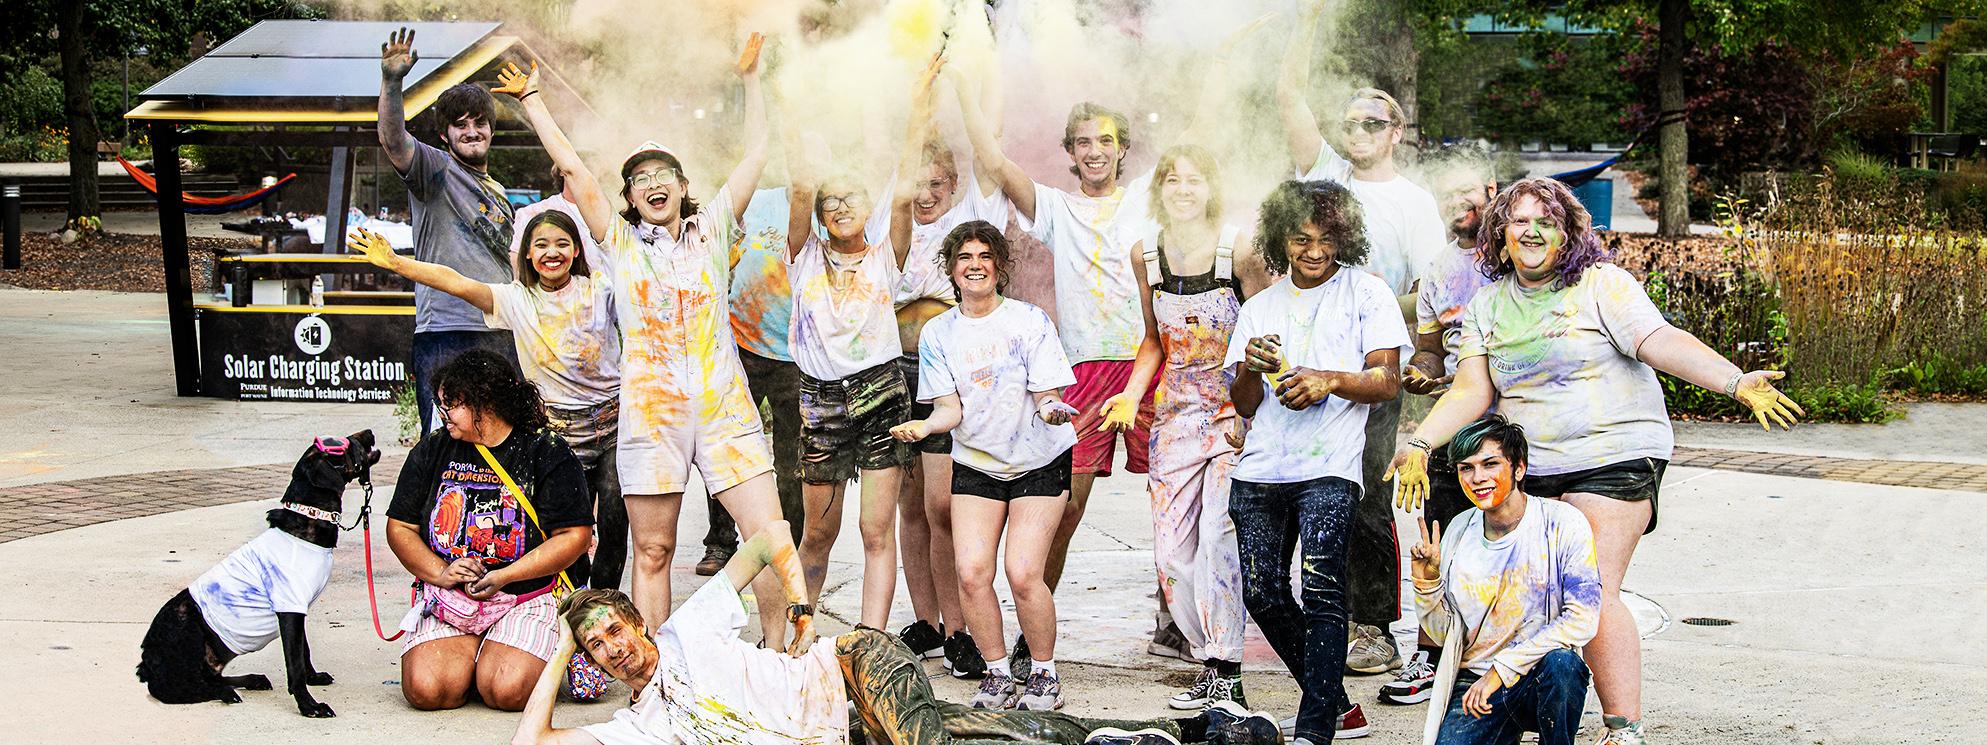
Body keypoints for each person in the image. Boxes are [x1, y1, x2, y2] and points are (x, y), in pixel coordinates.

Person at [1387, 177, 1805, 745]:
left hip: (1616, 454)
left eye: (1547, 220)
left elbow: (1660, 340)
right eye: (1519, 221)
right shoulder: (1488, 305)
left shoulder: (1601, 285)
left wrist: (1734, 382)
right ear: (1500, 234)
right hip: (1535, 463)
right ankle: (1530, 705)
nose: (1533, 231)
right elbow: (1470, 392)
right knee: (1537, 589)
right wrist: (1419, 444)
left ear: (1567, 232)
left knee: (1590, 587)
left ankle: (1623, 728)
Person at [498, 48, 793, 642]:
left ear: (684, 187)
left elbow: (757, 152)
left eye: (664, 175)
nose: (653, 183)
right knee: (652, 549)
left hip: (723, 406)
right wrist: (533, 101)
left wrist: (751, 78)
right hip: (652, 413)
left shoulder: (713, 229)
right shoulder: (619, 244)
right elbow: (576, 173)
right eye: (640, 179)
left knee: (768, 539)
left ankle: (779, 658)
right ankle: (653, 680)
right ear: (629, 197)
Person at [507, 522, 1285, 745]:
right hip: (851, 730)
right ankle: (1195, 734)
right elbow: (530, 743)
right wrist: (559, 649)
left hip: (852, 669)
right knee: (1003, 728)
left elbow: (758, 542)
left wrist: (804, 606)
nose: (612, 645)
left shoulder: (680, 632)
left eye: (613, 628)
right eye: (597, 645)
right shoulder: (639, 723)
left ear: (636, 621)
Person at [1276, 0, 1450, 677]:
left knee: (1368, 501)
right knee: (1301, 488)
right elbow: (1289, 95)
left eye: (1372, 122)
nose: (1359, 131)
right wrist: (1309, 18)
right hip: (1308, 363)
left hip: (1374, 370)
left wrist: (1373, 298)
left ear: (1395, 130)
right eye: (1350, 121)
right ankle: (1313, 613)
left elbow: (1432, 294)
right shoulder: (1322, 174)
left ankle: (1373, 625)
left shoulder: (1409, 203)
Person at [352, 208, 623, 592]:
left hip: (612, 421)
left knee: (614, 514)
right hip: (559, 430)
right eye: (541, 244)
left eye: (563, 243)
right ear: (527, 254)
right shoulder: (515, 299)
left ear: (577, 251)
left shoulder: (601, 288)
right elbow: (457, 283)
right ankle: (571, 600)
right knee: (567, 526)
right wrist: (397, 263)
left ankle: (606, 599)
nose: (552, 252)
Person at [1227, 180, 1408, 743]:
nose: (1313, 250)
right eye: (1301, 238)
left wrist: (1328, 380)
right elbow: (1244, 404)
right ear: (1281, 239)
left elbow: (1388, 379)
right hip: (1259, 470)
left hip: (1330, 466)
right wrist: (1252, 370)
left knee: (1324, 591)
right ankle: (1336, 704)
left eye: (1326, 238)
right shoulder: (1259, 306)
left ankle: (1314, 730)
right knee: (1262, 593)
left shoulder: (1367, 294)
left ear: (1343, 238)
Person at [779, 61, 944, 630]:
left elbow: (903, 186)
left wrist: (918, 104)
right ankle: (799, 638)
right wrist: (790, 96)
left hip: (881, 395)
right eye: (831, 201)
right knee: (818, 533)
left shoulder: (885, 256)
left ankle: (871, 639)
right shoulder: (803, 258)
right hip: (820, 400)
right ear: (820, 215)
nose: (841, 205)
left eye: (853, 196)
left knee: (877, 531)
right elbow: (801, 182)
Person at [1098, 144, 1264, 710]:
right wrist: (1128, 396)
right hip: (1175, 416)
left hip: (1234, 413)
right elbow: (1153, 339)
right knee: (1171, 554)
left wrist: (1254, 411)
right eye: (1174, 180)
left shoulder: (1237, 249)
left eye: (1195, 180)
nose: (1184, 189)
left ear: (1210, 187)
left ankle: (1227, 668)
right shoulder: (1145, 254)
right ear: (1160, 189)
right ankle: (1206, 654)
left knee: (1220, 538)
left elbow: (1267, 330)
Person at [890, 221, 1077, 711]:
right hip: (977, 461)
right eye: (965, 257)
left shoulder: (1029, 321)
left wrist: (1051, 408)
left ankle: (1043, 674)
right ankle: (996, 674)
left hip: (1039, 459)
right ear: (951, 270)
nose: (975, 264)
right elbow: (950, 410)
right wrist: (926, 427)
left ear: (999, 266)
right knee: (971, 571)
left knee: (1021, 571)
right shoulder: (939, 332)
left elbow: (1046, 393)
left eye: (985, 255)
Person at [867, 85, 1011, 683]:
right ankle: (926, 620)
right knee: (908, 508)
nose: (925, 195)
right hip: (888, 371)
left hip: (947, 378)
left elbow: (988, 153)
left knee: (943, 505)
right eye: (917, 183)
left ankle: (960, 630)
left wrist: (965, 80)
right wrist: (916, 103)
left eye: (937, 184)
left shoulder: (968, 220)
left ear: (953, 185)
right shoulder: (888, 213)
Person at [384, 348, 593, 712]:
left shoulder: (546, 451)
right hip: (451, 595)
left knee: (507, 691)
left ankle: (504, 653)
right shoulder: (434, 448)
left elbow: (574, 537)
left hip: (527, 592)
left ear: (485, 405)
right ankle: (476, 653)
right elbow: (400, 526)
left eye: (452, 405)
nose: (442, 414)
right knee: (428, 691)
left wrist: (506, 575)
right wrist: (441, 572)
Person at [1383, 145, 1498, 707]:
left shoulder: (1512, 257)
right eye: (1449, 191)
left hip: (1514, 426)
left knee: (1503, 544)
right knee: (1439, 536)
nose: (1459, 200)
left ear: (1492, 194)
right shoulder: (1438, 270)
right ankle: (1431, 659)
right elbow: (1430, 349)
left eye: (1468, 190)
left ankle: (1496, 662)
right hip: (1451, 424)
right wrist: (1420, 373)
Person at [1410, 415, 1600, 745]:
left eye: (1490, 464)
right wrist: (1427, 584)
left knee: (1563, 666)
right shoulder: (1457, 530)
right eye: (1466, 468)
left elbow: (1582, 619)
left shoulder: (1562, 523)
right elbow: (1447, 634)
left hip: (1536, 674)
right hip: (1475, 683)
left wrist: (1502, 670)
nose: (1477, 478)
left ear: (1519, 468)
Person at [377, 27, 522, 436]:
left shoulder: (500, 194)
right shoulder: (435, 170)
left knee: (500, 439)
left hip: (500, 329)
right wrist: (392, 82)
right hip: (446, 330)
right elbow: (392, 140)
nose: (471, 131)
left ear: (492, 130)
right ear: (445, 135)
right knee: (443, 440)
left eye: (479, 123)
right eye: (460, 125)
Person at [704, 185, 809, 576]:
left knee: (791, 459)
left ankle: (789, 545)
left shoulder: (826, 209)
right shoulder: (757, 199)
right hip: (741, 343)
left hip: (797, 354)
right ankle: (720, 542)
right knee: (727, 449)